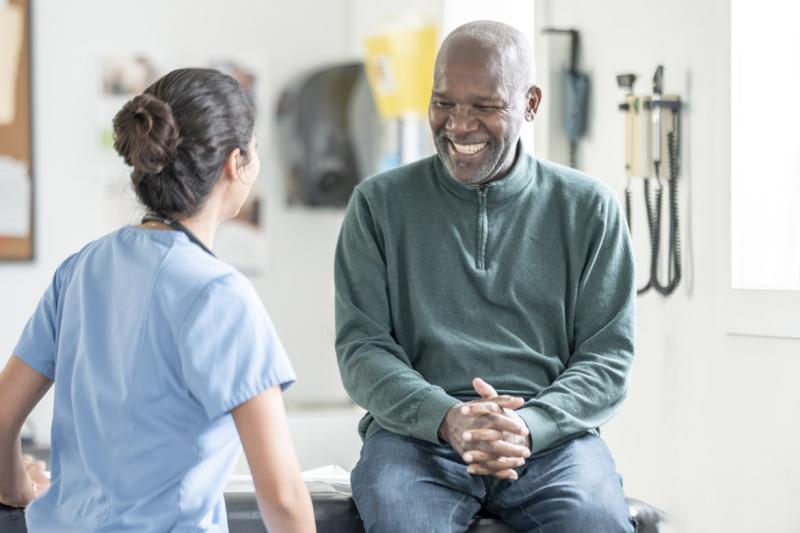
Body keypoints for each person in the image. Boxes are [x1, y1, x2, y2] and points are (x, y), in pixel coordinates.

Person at [335, 21, 635, 532]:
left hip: (551, 440)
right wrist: (447, 417)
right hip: (416, 438)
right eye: (444, 102)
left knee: (594, 519)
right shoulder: (378, 205)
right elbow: (362, 350)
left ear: (531, 104)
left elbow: (607, 358)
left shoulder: (590, 208)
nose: (458, 125)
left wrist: (527, 425)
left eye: (485, 106)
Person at [0, 68, 316, 532]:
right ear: (236, 162)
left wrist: (15, 489)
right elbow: (285, 500)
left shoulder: (79, 270)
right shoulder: (219, 295)